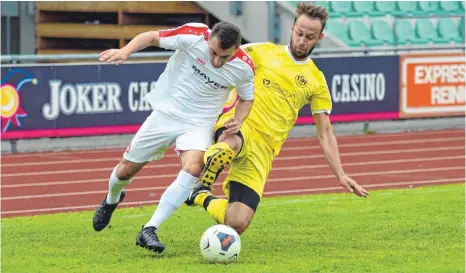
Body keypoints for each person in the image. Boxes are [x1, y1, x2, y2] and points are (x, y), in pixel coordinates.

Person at [185, 3, 369, 235]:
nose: (302, 40)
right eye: (299, 33)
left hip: (265, 150)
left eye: (309, 37)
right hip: (241, 125)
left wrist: (340, 174)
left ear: (319, 37)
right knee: (229, 146)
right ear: (292, 28)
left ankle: (200, 195)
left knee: (237, 223)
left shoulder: (316, 80)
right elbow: (220, 55)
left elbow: (325, 132)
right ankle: (205, 173)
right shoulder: (262, 51)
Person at [92, 21, 255, 253]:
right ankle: (111, 199)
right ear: (209, 40)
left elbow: (247, 98)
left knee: (194, 168)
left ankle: (149, 228)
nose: (217, 62)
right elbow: (150, 36)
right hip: (167, 113)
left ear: (237, 49)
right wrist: (125, 51)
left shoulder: (244, 67)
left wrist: (239, 119)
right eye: (213, 53)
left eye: (224, 57)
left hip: (199, 123)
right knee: (125, 170)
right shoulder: (193, 35)